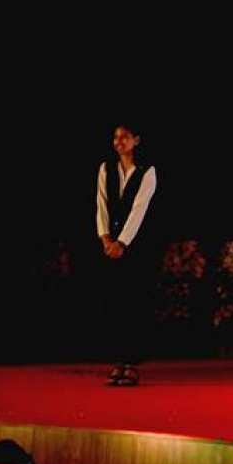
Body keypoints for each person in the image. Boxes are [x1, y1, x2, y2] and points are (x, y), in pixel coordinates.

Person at [95, 122, 157, 387]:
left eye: (124, 137)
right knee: (114, 303)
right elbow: (101, 204)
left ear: (136, 140)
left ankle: (132, 363)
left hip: (136, 247)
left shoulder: (147, 171)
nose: (119, 142)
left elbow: (139, 210)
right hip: (111, 246)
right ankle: (118, 361)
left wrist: (122, 242)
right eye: (116, 137)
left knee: (134, 303)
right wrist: (105, 237)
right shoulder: (106, 168)